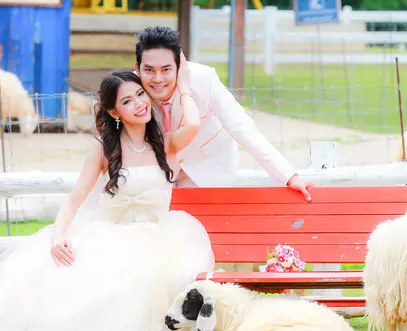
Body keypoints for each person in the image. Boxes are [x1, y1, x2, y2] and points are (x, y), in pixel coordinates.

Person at [0, 59, 215, 331]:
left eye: (140, 95)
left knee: (153, 277)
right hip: (111, 234)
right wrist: (58, 236)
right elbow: (74, 200)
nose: (139, 104)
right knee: (51, 273)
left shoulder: (165, 143)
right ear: (114, 112)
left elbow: (194, 125)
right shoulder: (103, 150)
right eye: (127, 101)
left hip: (157, 239)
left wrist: (182, 85)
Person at [134, 26, 313, 201]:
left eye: (166, 70)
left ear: (180, 66)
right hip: (158, 170)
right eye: (149, 70)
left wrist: (289, 176)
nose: (157, 79)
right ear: (138, 67)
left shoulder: (204, 79)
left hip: (207, 168)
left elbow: (242, 128)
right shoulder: (131, 89)